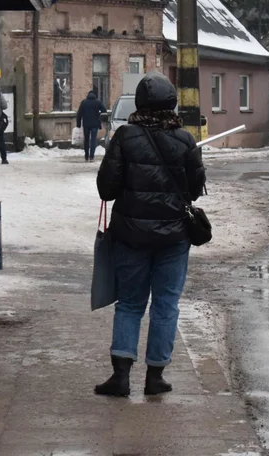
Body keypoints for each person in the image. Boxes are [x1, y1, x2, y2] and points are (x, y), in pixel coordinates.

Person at [95, 73, 206, 397]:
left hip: (131, 236)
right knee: (166, 305)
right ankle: (155, 376)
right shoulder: (185, 140)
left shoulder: (124, 137)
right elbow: (195, 190)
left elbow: (107, 188)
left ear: (140, 104)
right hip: (173, 237)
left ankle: (121, 377)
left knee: (130, 304)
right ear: (172, 104)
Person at [76, 90, 108, 162]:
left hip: (86, 124)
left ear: (88, 95)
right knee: (93, 140)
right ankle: (92, 157)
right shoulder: (98, 102)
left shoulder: (84, 102)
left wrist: (78, 124)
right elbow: (104, 110)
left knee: (86, 140)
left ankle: (86, 156)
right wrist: (100, 117)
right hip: (95, 124)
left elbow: (79, 113)